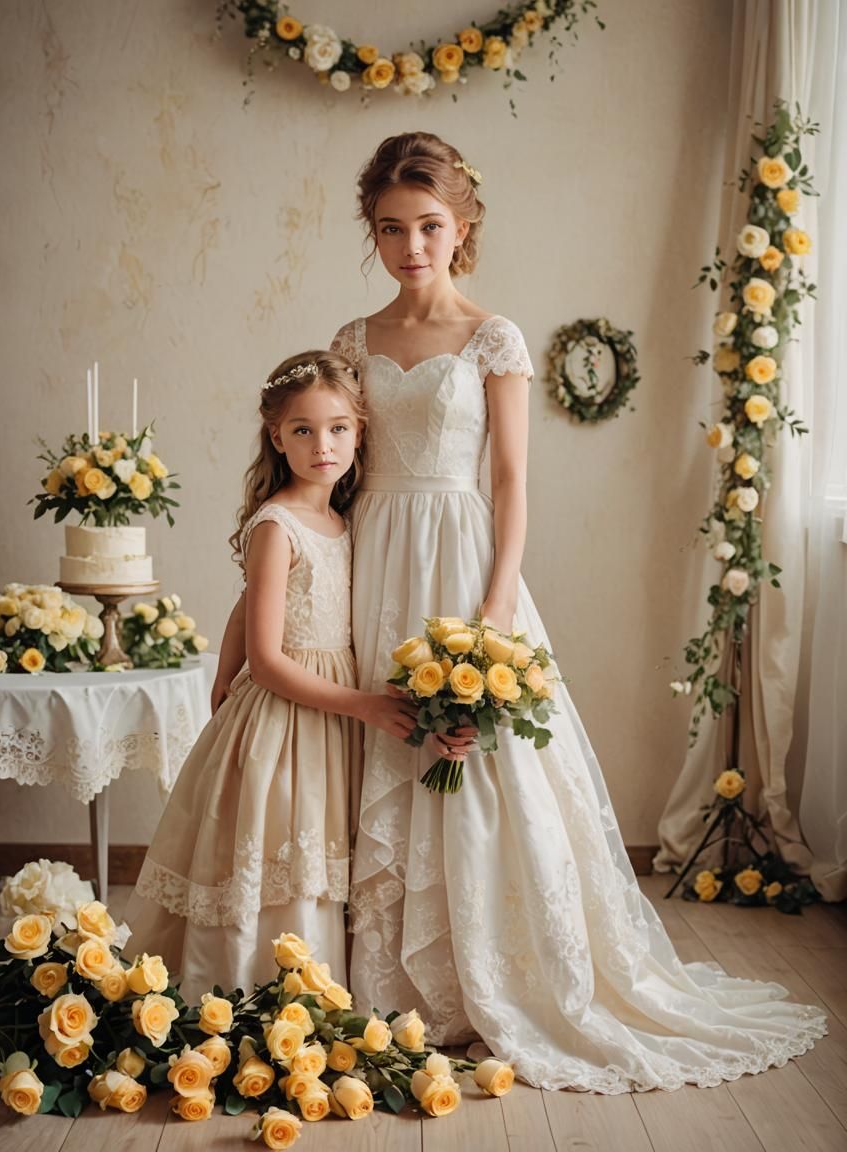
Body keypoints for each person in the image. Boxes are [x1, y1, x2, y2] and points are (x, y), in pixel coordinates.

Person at [327, 131, 827, 1092]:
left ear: (461, 225)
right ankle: (381, 979)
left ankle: (488, 981)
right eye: (390, 229)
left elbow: (511, 481)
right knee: (378, 745)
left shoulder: (493, 337)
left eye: (428, 226)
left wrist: (499, 597)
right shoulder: (355, 340)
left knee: (478, 766)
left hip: (463, 556)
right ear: (374, 233)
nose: (410, 246)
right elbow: (337, 464)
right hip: (374, 559)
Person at [124, 349, 416, 1003]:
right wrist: (364, 705)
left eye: (339, 427)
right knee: (279, 847)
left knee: (313, 851)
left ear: (360, 432)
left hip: (326, 720)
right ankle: (256, 991)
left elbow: (246, 608)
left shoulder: (344, 518)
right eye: (304, 430)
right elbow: (271, 657)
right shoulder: (276, 525)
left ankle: (312, 989)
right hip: (288, 716)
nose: (324, 445)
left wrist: (223, 673)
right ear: (276, 435)